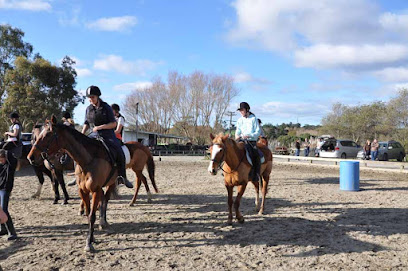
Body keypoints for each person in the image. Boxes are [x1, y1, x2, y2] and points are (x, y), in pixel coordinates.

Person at [82, 86, 133, 188]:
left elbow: (113, 124)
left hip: (107, 134)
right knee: (80, 148)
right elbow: (86, 123)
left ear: (97, 96)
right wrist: (82, 134)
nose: (90, 99)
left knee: (119, 150)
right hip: (93, 134)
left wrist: (100, 127)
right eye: (89, 97)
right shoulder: (88, 109)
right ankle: (79, 174)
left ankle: (122, 177)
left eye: (92, 97)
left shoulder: (106, 107)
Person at [235, 102, 261, 182]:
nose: (241, 112)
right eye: (240, 110)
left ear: (247, 110)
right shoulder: (240, 120)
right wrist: (237, 136)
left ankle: (256, 174)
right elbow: (238, 130)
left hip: (251, 141)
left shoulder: (253, 119)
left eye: (242, 110)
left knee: (256, 155)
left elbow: (258, 132)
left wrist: (249, 135)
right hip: (241, 140)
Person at [0, 149, 18, 240]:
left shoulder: (10, 166)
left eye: (2, 159)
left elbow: (11, 156)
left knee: (4, 210)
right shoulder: (0, 166)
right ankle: (3, 229)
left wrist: (6, 147)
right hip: (0, 189)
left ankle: (12, 232)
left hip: (5, 190)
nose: (1, 161)